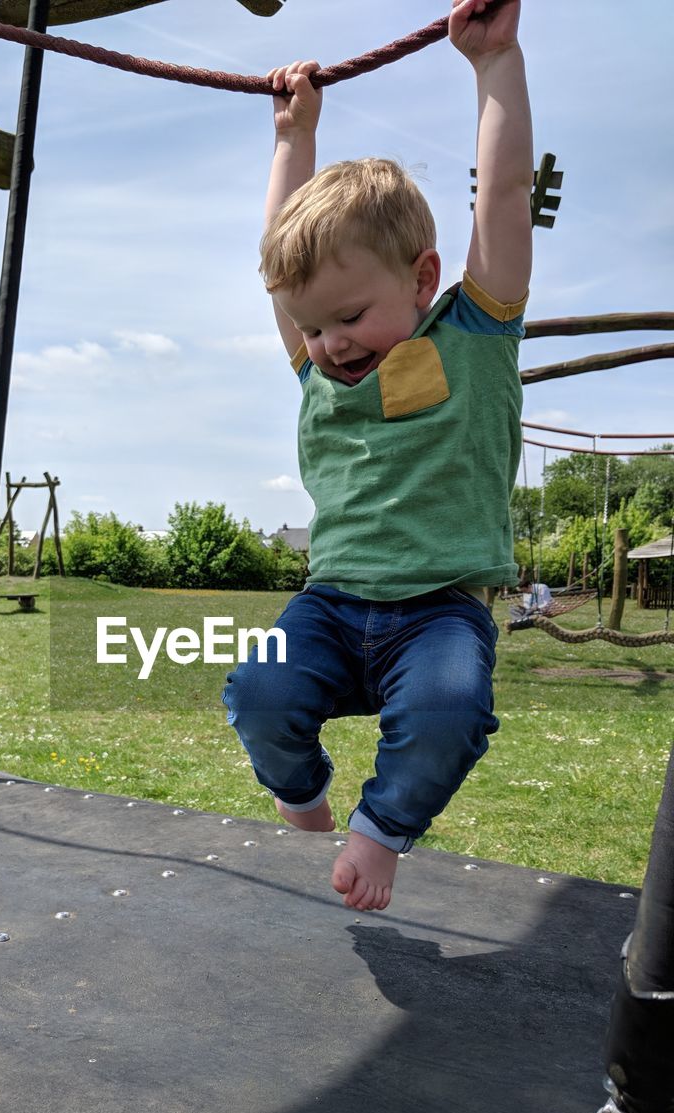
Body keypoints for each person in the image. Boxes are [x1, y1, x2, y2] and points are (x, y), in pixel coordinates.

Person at [222, 0, 533, 912]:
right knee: (260, 694)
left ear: (424, 279)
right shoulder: (318, 365)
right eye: (313, 326)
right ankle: (307, 805)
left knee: (448, 713)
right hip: (332, 603)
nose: (329, 343)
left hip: (437, 612)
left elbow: (505, 196)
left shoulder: (474, 333)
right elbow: (278, 260)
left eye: (350, 318)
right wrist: (294, 136)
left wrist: (495, 65)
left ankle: (383, 827)